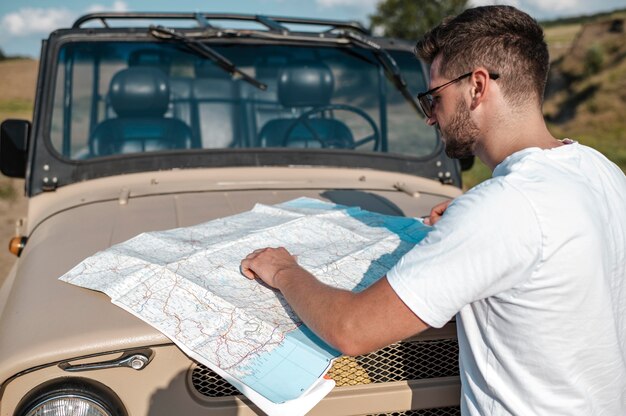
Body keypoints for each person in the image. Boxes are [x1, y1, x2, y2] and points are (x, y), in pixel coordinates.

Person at [241, 5, 626, 415]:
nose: (430, 118)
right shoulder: (601, 172)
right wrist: (474, 219)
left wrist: (284, 270)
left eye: (433, 97)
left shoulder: (504, 209)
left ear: (477, 87)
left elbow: (351, 330)